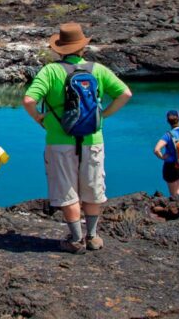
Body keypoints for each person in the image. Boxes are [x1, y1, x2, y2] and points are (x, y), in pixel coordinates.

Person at [23, 23, 132, 254]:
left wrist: (40, 119)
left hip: (59, 139)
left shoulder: (50, 71)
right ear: (83, 47)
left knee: (67, 189)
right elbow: (125, 94)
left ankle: (75, 239)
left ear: (60, 49)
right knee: (93, 187)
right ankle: (92, 236)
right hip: (93, 138)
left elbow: (29, 100)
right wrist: (104, 115)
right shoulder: (98, 70)